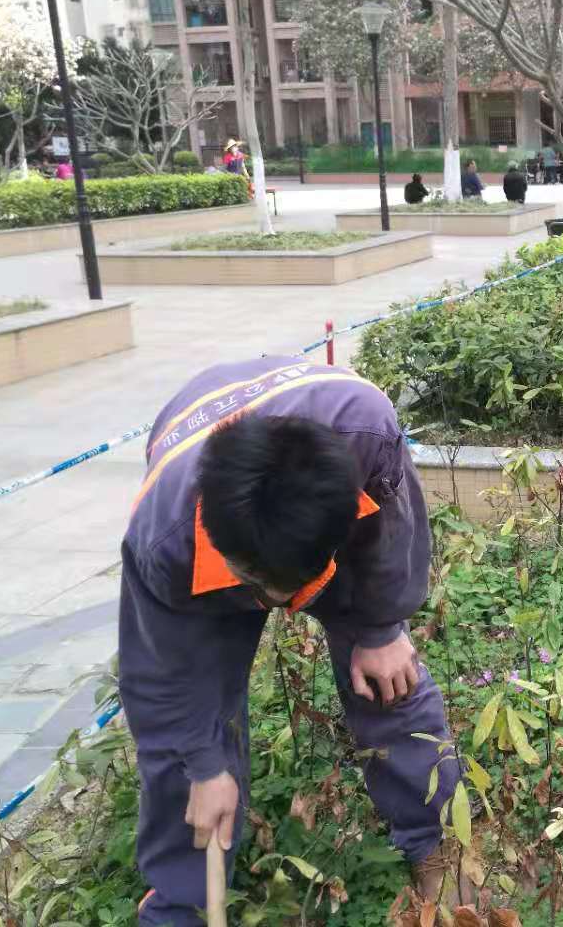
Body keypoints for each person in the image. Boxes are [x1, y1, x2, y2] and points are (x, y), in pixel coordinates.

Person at [119, 357, 462, 924]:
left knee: (388, 679)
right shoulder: (164, 541)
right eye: (259, 587)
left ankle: (435, 844)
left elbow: (395, 527)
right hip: (200, 504)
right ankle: (183, 904)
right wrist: (204, 767)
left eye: (289, 589)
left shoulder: (365, 432)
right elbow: (159, 677)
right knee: (186, 756)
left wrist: (378, 627)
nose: (277, 605)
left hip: (315, 492)